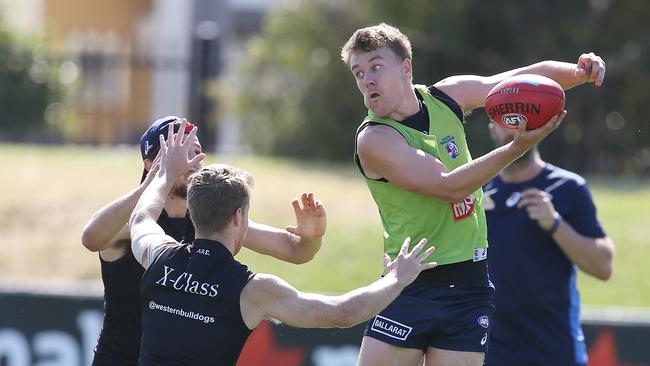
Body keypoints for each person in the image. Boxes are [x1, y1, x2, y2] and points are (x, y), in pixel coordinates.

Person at [340, 23, 606, 366]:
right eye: (358, 72)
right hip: (409, 283)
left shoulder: (447, 96)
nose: (367, 79)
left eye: (376, 66)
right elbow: (451, 187)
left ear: (406, 67)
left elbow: (521, 80)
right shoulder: (375, 139)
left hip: (469, 284)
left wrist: (579, 72)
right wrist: (517, 147)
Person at [128, 119, 438, 365]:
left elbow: (141, 218)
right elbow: (342, 313)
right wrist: (397, 278)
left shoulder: (158, 255)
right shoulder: (253, 290)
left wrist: (165, 173)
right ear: (238, 218)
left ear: (193, 213)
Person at [81, 116, 327, 366]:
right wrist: (159, 178)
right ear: (150, 163)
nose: (191, 161)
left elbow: (295, 251)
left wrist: (312, 237)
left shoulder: (208, 219)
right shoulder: (132, 220)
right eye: (177, 153)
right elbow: (91, 238)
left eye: (196, 151)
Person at [483, 123, 615, 366]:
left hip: (554, 350)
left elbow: (603, 265)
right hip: (489, 353)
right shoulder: (477, 191)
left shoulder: (568, 187)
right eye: (505, 119)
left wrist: (555, 224)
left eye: (520, 119)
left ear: (537, 126)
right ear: (492, 128)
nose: (514, 128)